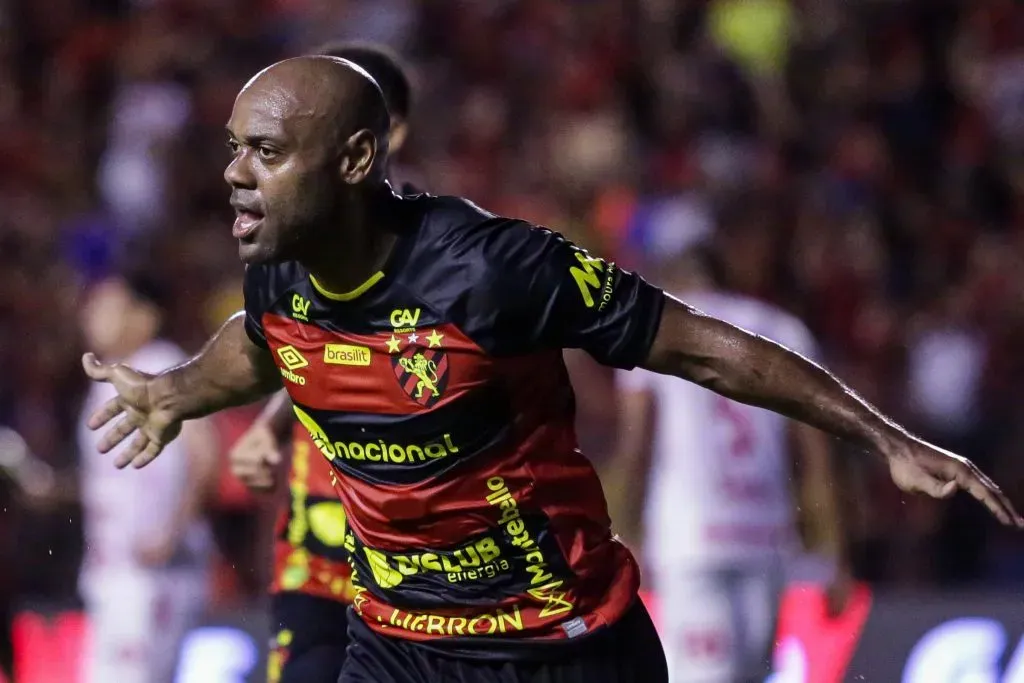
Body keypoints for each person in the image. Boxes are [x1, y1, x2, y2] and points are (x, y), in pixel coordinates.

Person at [80, 56, 1021, 683]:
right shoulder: (279, 271)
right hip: (400, 638)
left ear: (359, 158)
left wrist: (884, 437)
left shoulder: (494, 269)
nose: (236, 173)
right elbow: (259, 341)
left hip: (557, 642)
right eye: (235, 149)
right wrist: (176, 392)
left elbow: (699, 345)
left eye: (267, 151)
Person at [227, 41, 414, 683]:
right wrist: (269, 426)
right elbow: (303, 346)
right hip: (316, 551)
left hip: (411, 567)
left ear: (382, 136)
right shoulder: (289, 240)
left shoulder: (436, 255)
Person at [610, 246, 847, 683]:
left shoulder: (656, 327)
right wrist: (833, 552)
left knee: (701, 675)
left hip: (690, 537)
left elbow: (634, 447)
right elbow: (816, 457)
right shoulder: (782, 329)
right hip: (765, 533)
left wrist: (621, 533)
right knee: (751, 675)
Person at [76, 272, 217, 683]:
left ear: (144, 317)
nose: (93, 316)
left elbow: (205, 456)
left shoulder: (164, 367)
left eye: (108, 307)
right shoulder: (108, 378)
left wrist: (171, 532)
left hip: (156, 571)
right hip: (113, 566)